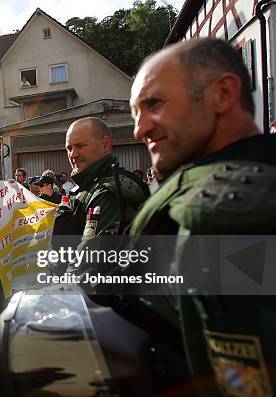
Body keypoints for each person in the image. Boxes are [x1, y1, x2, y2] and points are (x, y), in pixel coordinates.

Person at [128, 38, 276, 396]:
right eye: (136, 114)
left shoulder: (223, 214)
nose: (140, 129)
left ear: (223, 94)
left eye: (154, 104)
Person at [55, 117, 148, 240]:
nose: (73, 155)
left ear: (105, 145)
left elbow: (94, 256)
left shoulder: (108, 192)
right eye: (69, 148)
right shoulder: (86, 187)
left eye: (80, 146)